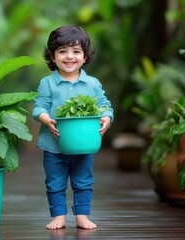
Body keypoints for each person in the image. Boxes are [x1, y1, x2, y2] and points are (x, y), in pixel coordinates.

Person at [32, 25, 114, 230]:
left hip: (84, 143)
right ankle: (58, 215)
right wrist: (46, 119)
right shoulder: (47, 83)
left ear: (85, 57)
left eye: (76, 51)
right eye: (62, 51)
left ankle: (82, 215)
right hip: (54, 145)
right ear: (52, 56)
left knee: (83, 181)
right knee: (55, 182)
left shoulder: (92, 83)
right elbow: (39, 107)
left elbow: (104, 105)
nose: (69, 56)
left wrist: (106, 117)